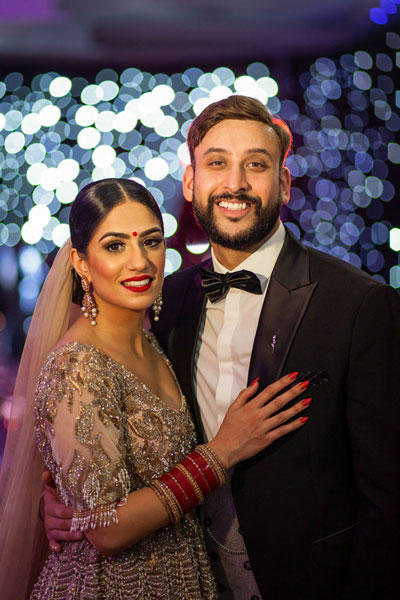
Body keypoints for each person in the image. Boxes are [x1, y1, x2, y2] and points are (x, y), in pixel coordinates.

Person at [42, 97, 400, 598]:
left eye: (256, 164)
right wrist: (61, 499)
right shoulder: (168, 300)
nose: (235, 184)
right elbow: (99, 446)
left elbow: (389, 495)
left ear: (284, 183)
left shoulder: (360, 304)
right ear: (191, 183)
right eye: (217, 164)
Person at [0, 177, 311, 600]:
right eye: (115, 246)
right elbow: (106, 532)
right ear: (80, 262)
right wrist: (222, 452)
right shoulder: (76, 365)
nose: (140, 262)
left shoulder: (155, 340)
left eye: (150, 241)